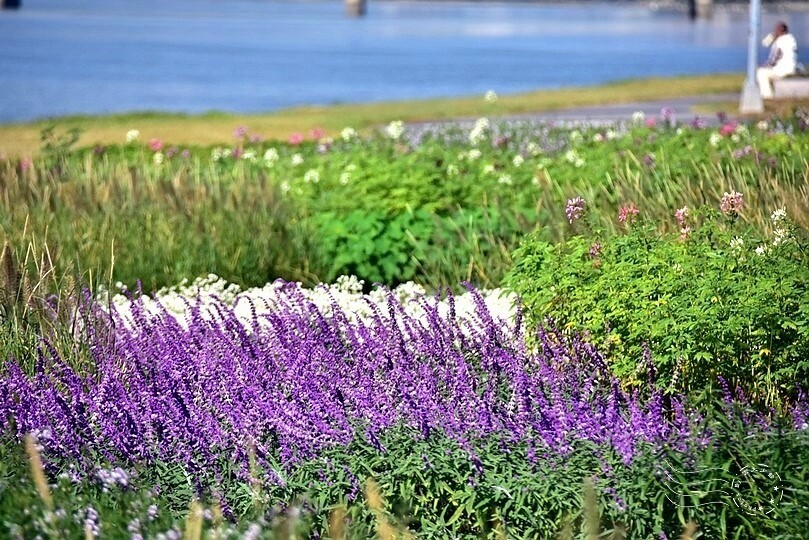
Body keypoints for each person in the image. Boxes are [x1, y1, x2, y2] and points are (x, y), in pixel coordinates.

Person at [756, 21, 799, 99]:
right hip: (791, 68)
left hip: (782, 70)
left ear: (779, 31)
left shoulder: (779, 42)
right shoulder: (792, 39)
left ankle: (767, 96)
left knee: (761, 73)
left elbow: (772, 60)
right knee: (767, 71)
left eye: (776, 30)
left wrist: (761, 66)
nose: (774, 31)